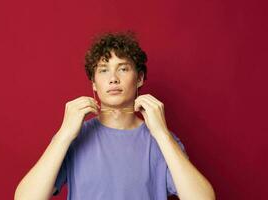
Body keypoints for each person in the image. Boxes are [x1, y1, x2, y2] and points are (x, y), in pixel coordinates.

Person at [15, 31, 215, 200]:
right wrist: (63, 136)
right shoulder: (72, 137)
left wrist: (162, 134)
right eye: (103, 70)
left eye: (123, 68)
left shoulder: (161, 140)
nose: (113, 79)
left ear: (139, 78)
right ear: (94, 83)